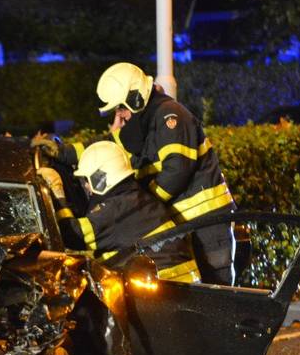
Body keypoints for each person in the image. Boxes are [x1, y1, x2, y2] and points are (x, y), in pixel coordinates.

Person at [35, 62, 237, 284]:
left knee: (218, 291)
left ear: (135, 98)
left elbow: (178, 169)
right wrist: (62, 152)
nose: (120, 115)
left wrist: (144, 204)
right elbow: (107, 147)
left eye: (121, 108)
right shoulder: (143, 124)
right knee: (200, 294)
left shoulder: (171, 116)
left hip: (208, 222)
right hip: (184, 223)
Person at [49, 141, 198, 282]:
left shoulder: (117, 208)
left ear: (101, 176)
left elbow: (72, 235)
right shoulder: (133, 196)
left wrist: (57, 195)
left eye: (87, 180)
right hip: (180, 283)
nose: (87, 187)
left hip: (164, 289)